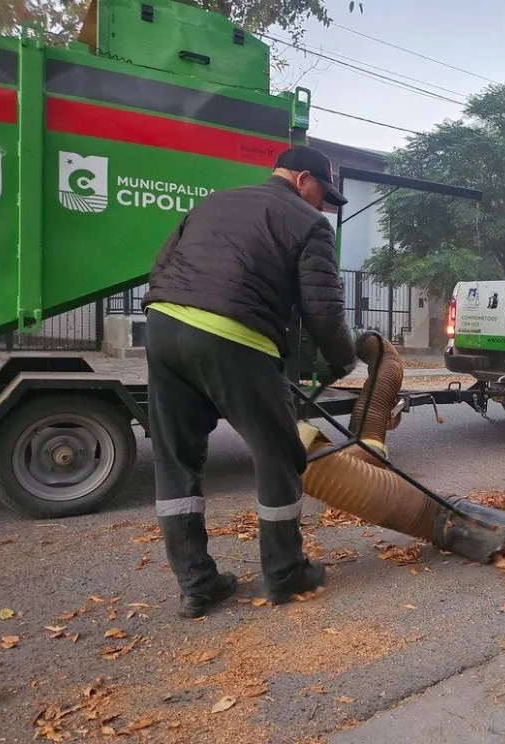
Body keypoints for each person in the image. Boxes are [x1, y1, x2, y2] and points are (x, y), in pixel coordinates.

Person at [142, 145, 358, 618]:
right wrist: (343, 358)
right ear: (303, 179)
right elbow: (323, 309)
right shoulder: (308, 224)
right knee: (278, 454)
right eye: (323, 193)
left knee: (177, 459)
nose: (324, 205)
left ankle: (197, 585)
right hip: (234, 336)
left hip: (162, 328)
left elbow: (161, 265)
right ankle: (285, 574)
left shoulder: (214, 201)